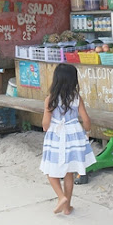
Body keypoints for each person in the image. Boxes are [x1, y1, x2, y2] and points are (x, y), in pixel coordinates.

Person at [40, 63, 96, 215]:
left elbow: (45, 124)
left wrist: (48, 126)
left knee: (50, 171)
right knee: (69, 172)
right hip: (74, 136)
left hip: (56, 136)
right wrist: (87, 130)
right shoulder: (76, 98)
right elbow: (86, 119)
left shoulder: (50, 99)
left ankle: (61, 197)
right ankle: (67, 207)